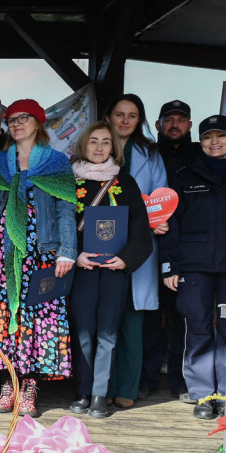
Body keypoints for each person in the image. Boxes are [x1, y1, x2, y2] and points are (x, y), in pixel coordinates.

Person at [0, 99, 77, 417]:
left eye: (24, 118)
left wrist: (67, 251)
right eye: (11, 119)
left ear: (38, 122)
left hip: (40, 253)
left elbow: (65, 209)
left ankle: (29, 387)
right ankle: (8, 383)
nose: (16, 123)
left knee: (36, 321)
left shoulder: (57, 162)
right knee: (1, 319)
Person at [162, 114, 226, 418]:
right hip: (193, 265)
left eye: (220, 136)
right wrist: (170, 266)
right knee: (198, 328)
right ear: (200, 142)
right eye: (207, 137)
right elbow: (171, 225)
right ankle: (203, 395)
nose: (214, 142)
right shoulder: (185, 175)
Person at [69, 122, 152, 418]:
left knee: (108, 332)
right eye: (93, 141)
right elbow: (60, 224)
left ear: (114, 148)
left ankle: (100, 395)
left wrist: (126, 259)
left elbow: (141, 233)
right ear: (83, 145)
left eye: (106, 142)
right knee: (83, 331)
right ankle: (83, 390)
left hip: (115, 271)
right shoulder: (69, 181)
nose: (100, 147)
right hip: (81, 270)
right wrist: (74, 255)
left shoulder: (125, 183)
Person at [101, 94, 167, 408]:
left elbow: (161, 195)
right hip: (101, 242)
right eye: (119, 114)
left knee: (132, 319)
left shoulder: (150, 152)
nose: (125, 121)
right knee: (103, 318)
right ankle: (102, 386)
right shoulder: (95, 147)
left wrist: (159, 220)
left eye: (132, 115)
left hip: (140, 244)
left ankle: (127, 386)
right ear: (108, 116)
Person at [142, 100, 199, 400]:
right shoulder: (147, 153)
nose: (175, 124)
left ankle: (180, 380)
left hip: (184, 248)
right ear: (158, 125)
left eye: (181, 119)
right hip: (150, 244)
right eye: (169, 119)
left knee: (181, 317)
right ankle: (148, 378)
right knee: (150, 315)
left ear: (190, 125)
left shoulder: (201, 153)